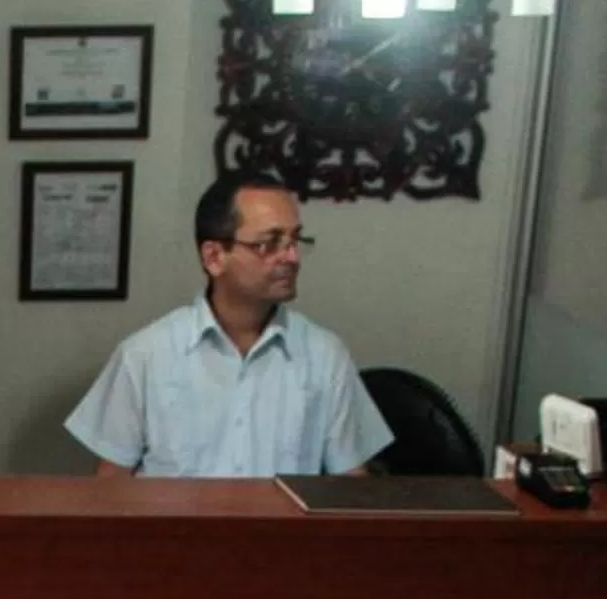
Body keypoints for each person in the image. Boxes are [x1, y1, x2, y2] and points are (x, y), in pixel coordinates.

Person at [66, 173, 391, 479]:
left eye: (295, 239)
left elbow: (352, 487)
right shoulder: (146, 355)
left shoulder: (324, 355)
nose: (291, 257)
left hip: (284, 540)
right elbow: (111, 487)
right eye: (269, 243)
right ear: (214, 257)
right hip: (176, 539)